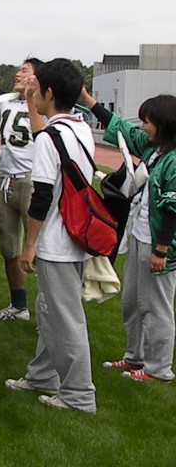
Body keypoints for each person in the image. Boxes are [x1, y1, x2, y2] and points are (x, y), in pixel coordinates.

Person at [5, 58, 97, 413]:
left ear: (50, 92)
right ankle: (43, 375)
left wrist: (30, 244)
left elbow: (42, 196)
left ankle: (79, 394)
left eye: (38, 88)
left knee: (65, 319)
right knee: (49, 312)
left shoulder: (49, 138)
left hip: (57, 241)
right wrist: (32, 103)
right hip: (76, 236)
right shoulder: (79, 128)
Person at [82, 90, 176, 382]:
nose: (143, 126)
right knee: (132, 301)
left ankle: (158, 368)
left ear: (164, 123)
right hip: (139, 234)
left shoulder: (173, 160)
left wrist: (161, 250)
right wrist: (86, 98)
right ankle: (135, 356)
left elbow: (172, 208)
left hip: (158, 244)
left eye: (148, 121)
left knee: (156, 306)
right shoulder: (153, 150)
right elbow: (120, 127)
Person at [0, 59, 44, 321]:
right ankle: (19, 305)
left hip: (31, 180)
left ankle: (48, 310)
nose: (18, 74)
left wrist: (32, 98)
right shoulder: (4, 101)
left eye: (24, 70)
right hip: (5, 179)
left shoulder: (44, 103)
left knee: (40, 250)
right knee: (8, 247)